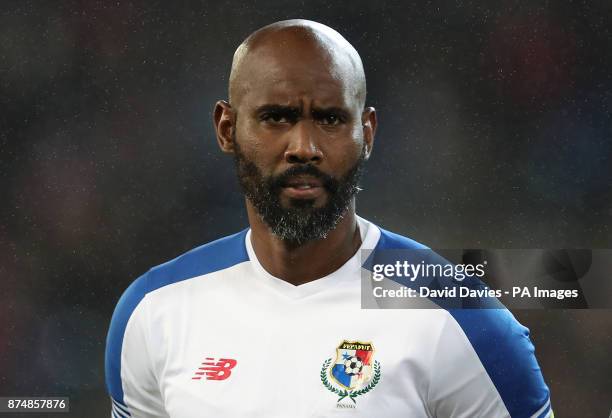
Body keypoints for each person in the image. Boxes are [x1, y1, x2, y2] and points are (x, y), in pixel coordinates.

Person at [105, 19, 552, 418]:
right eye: (276, 117)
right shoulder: (154, 312)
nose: (304, 146)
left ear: (367, 133)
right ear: (227, 129)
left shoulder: (461, 318)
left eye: (331, 119)